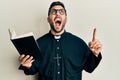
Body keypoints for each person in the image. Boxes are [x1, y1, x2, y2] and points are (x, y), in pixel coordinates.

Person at [19, 1, 102, 80]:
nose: (57, 14)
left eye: (61, 12)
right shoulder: (39, 44)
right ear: (48, 19)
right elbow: (33, 69)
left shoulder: (78, 43)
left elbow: (89, 67)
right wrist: (28, 66)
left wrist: (95, 54)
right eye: (54, 12)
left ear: (66, 19)